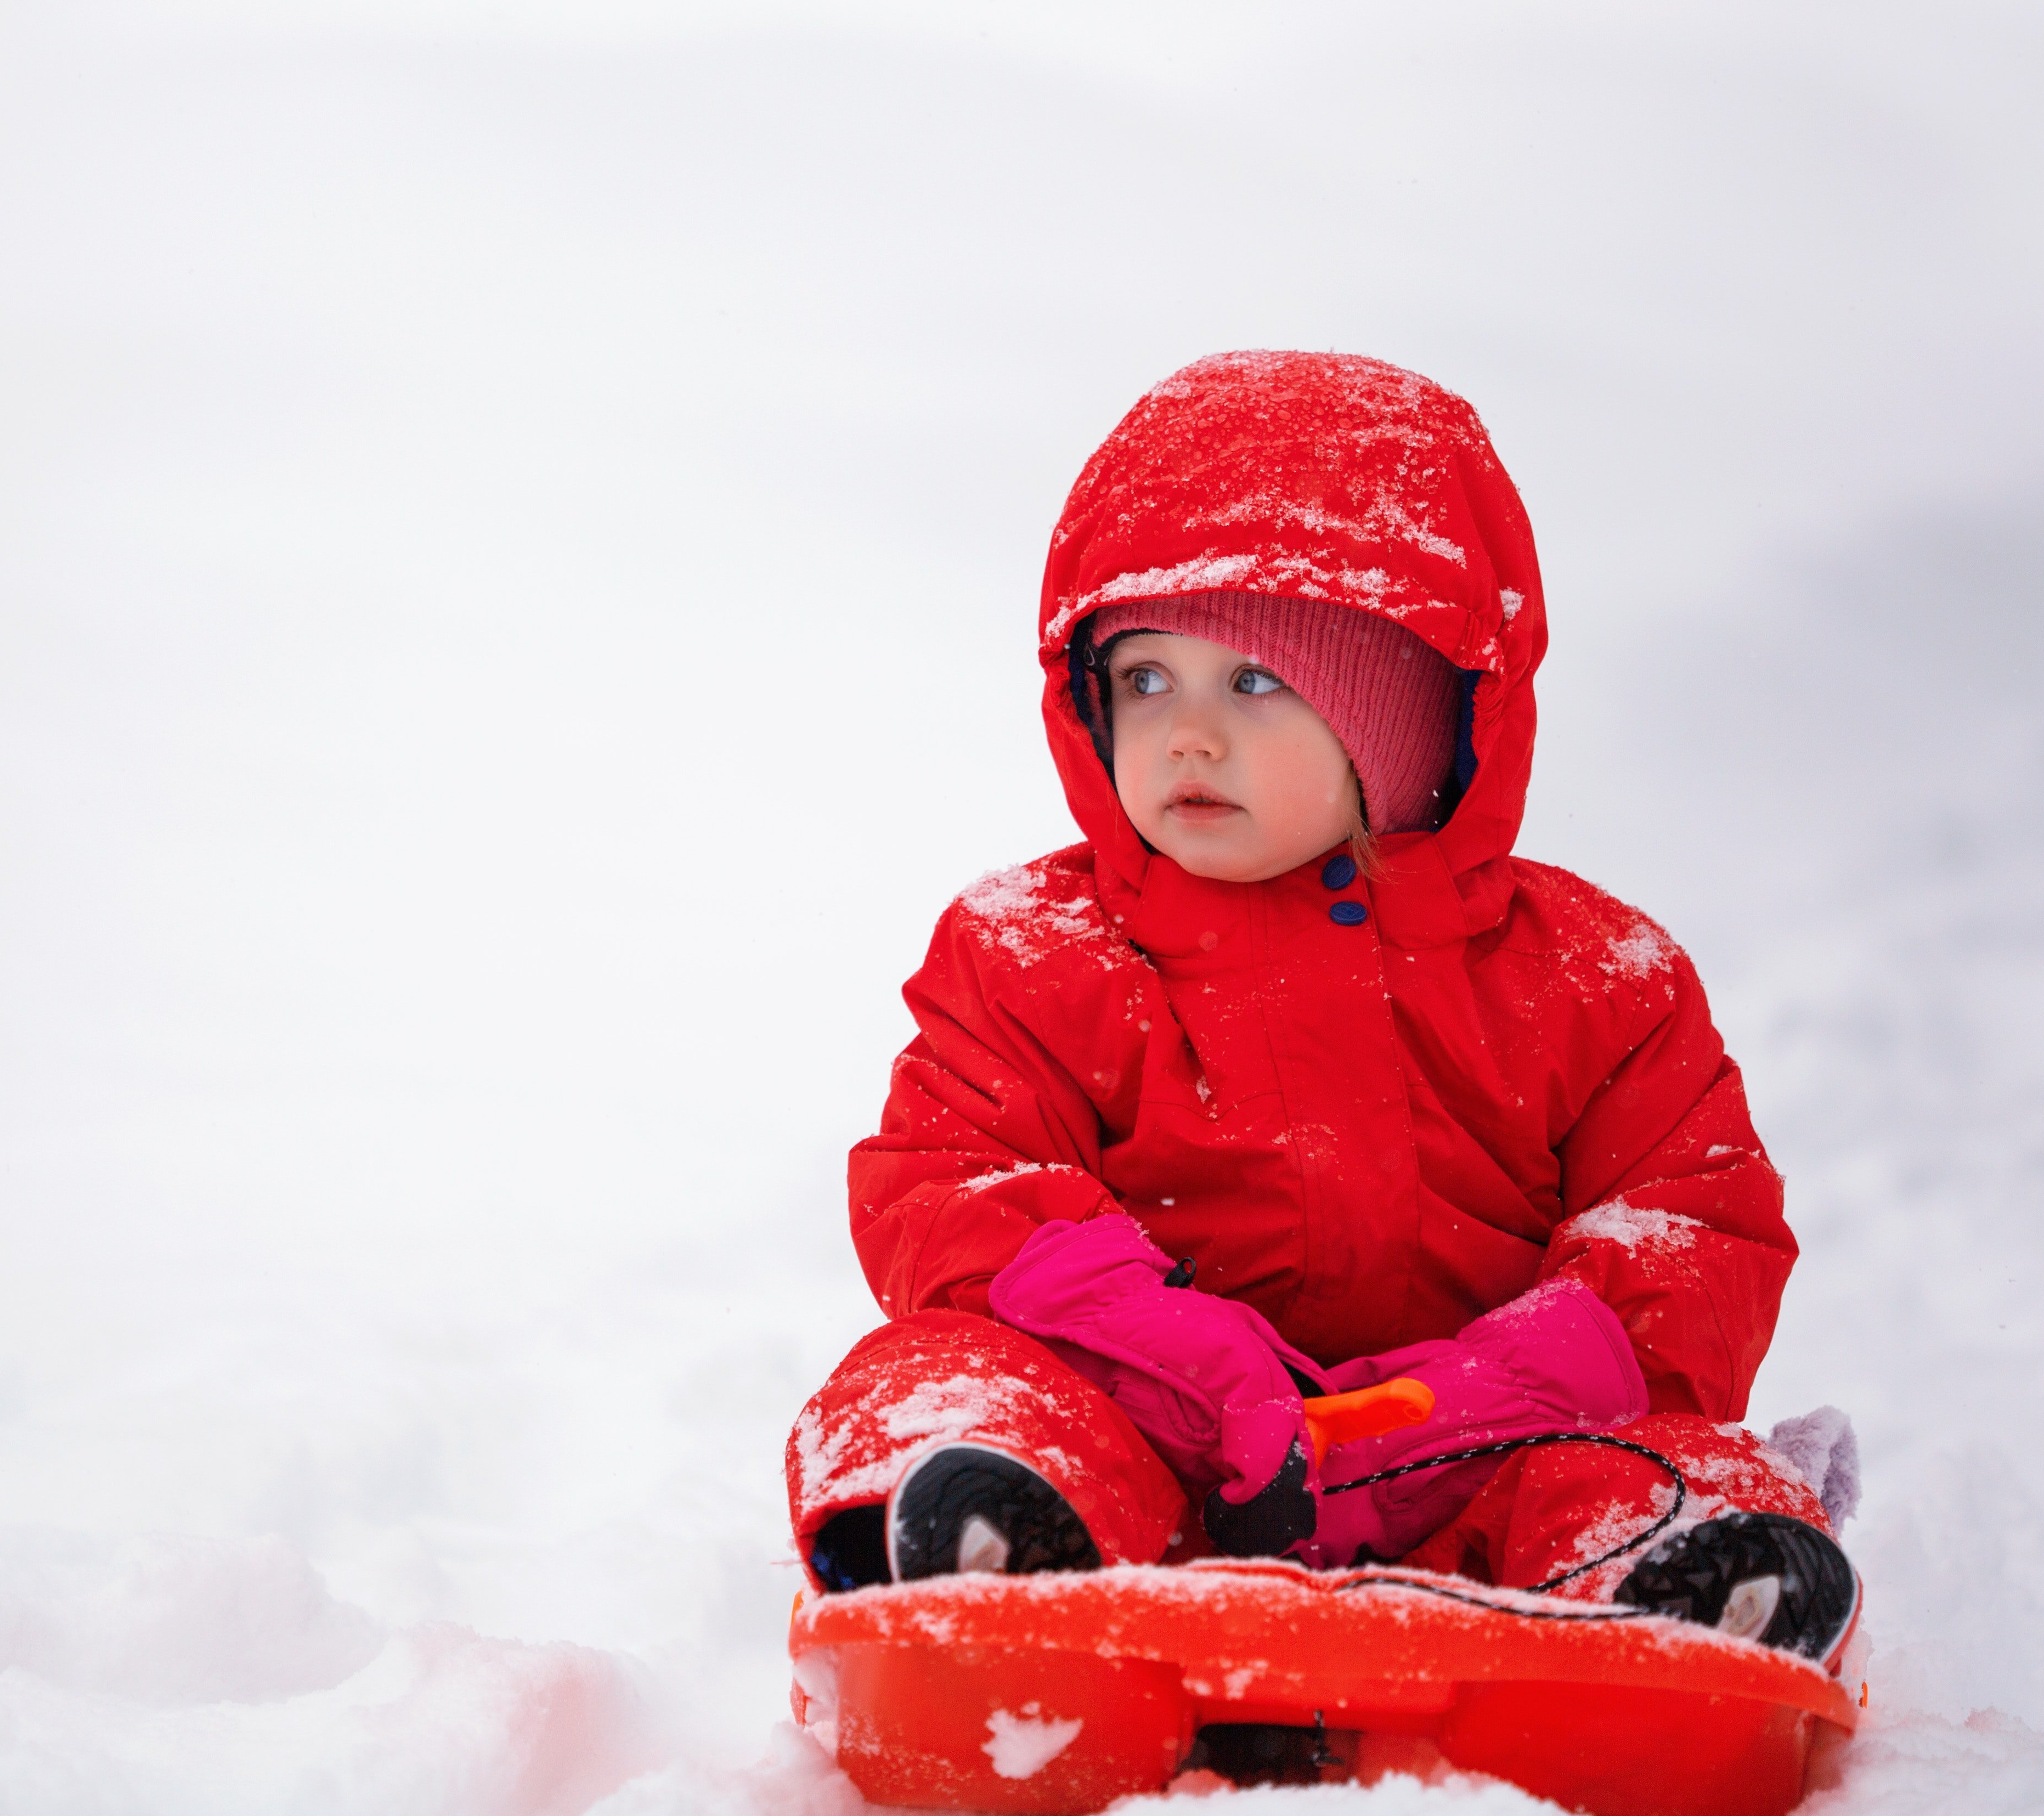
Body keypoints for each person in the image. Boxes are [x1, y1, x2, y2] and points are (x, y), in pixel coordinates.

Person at [784, 351, 1860, 1668]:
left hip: (1492, 1456)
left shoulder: (1595, 977)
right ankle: (991, 1552)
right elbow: (956, 1187)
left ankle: (1675, 1591)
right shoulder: (1031, 952)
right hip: (1157, 1446)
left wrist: (1485, 1390)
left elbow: (1691, 1228)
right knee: (932, 1382)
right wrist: (1178, 1357)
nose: (1185, 735)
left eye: (1253, 683)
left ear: (1416, 719)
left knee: (1661, 1457)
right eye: (1143, 679)